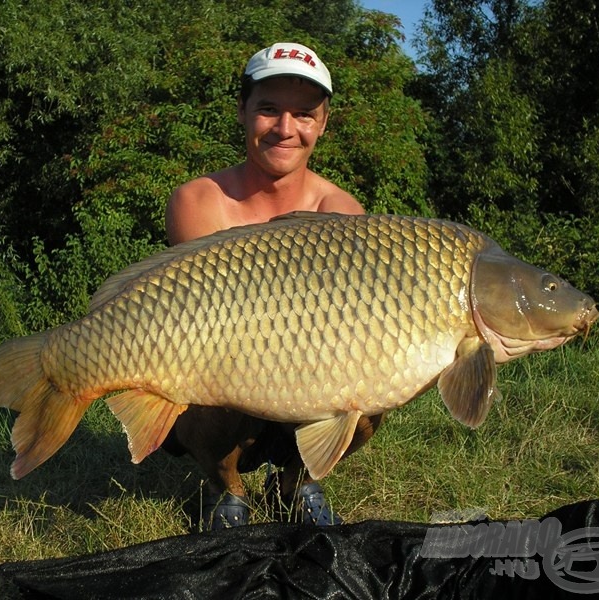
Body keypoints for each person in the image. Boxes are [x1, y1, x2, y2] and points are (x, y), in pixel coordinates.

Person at [163, 42, 384, 530]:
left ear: (322, 123)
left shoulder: (343, 213)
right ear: (242, 111)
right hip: (220, 377)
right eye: (268, 109)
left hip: (308, 382)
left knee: (373, 389)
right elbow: (210, 328)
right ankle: (228, 490)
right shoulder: (199, 201)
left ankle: (295, 482)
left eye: (303, 114)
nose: (286, 129)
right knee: (209, 384)